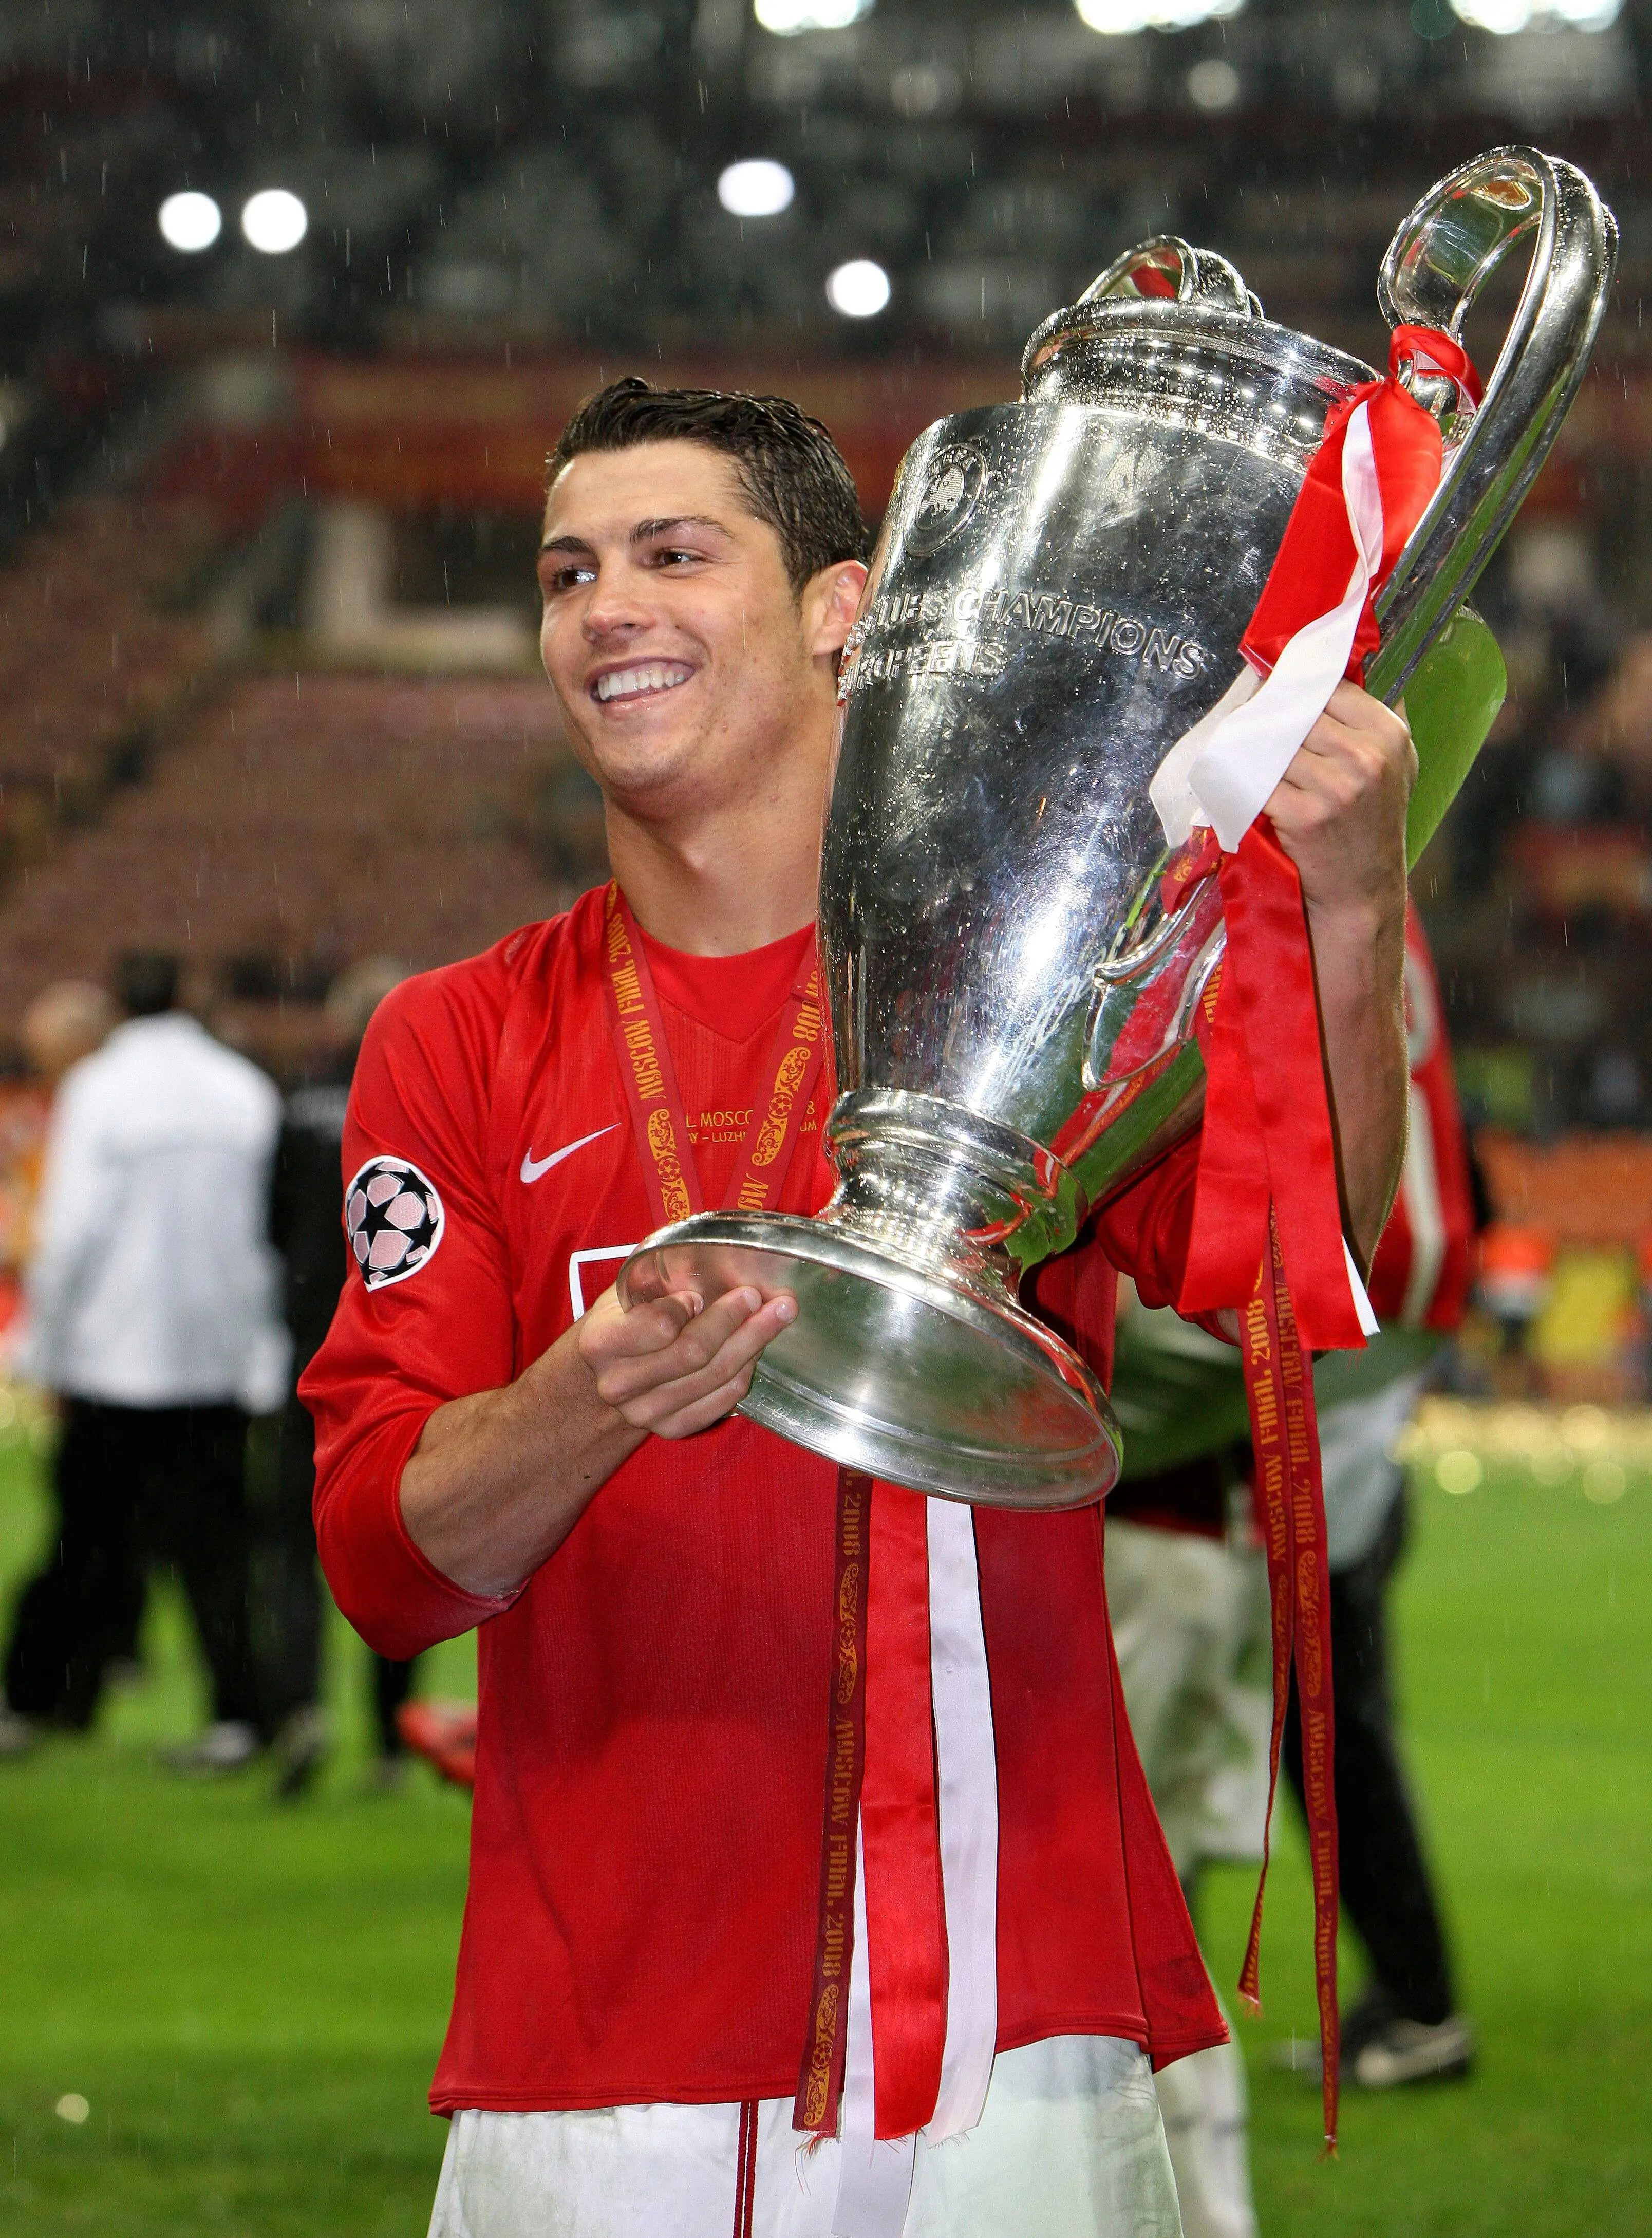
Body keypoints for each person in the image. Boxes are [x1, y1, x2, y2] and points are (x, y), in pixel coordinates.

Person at [301, 380, 1416, 2238]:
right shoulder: (458, 1037)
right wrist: (590, 1389)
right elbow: (385, 1563)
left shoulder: (1039, 979)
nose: (605, 607)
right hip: (603, 2044)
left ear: (843, 611)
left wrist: (1357, 912)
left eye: (673, 554)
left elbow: (1306, 1286)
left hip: (1013, 2017)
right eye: (567, 572)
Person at [1106, 903, 1476, 2238]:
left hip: (1151, 1516)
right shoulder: (1323, 902)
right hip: (1203, 1506)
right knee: (1138, 1921)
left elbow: (1303, 1275)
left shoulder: (1218, 897)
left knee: (1111, 1925)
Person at [0, 951, 286, 1767]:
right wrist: (261, 1349)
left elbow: (72, 1233)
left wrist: (42, 1347)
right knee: (217, 1554)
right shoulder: (242, 1089)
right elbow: (269, 1233)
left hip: (113, 1360)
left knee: (82, 1543)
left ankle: (37, 1699)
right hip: (214, 1362)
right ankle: (243, 1716)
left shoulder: (101, 1091)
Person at [261, 957, 409, 1798]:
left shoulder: (300, 1104)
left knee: (292, 1540)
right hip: (396, 1355)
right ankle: (390, 1739)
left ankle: (301, 1707)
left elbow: (269, 1227)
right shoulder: (425, 1100)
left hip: (308, 1350)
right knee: (396, 1540)